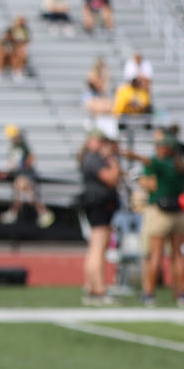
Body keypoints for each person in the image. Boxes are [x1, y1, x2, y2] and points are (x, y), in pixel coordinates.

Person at [129, 130, 184, 306]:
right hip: (179, 214)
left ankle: (149, 293)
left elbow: (151, 172)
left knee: (155, 254)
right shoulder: (181, 165)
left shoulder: (163, 164)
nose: (158, 148)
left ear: (168, 148)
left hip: (161, 212)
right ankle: (181, 294)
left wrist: (131, 155)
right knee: (178, 256)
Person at [77, 131, 122, 305]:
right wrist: (113, 161)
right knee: (98, 246)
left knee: (97, 246)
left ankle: (92, 287)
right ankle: (99, 289)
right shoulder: (93, 159)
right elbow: (111, 178)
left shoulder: (90, 158)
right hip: (99, 204)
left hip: (98, 204)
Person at [0, 125, 54, 228]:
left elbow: (30, 158)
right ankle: (41, 213)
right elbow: (14, 162)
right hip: (22, 173)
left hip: (25, 174)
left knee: (24, 193)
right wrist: (6, 171)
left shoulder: (21, 145)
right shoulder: (16, 146)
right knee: (26, 195)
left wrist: (24, 166)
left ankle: (15, 213)